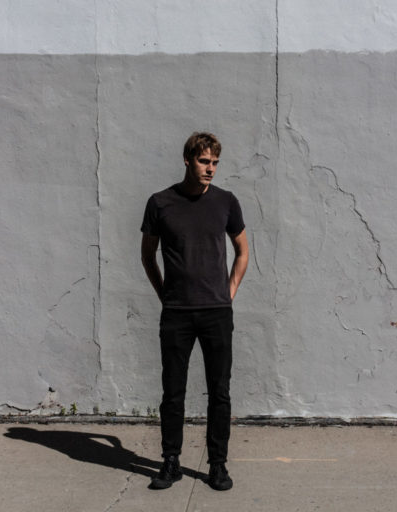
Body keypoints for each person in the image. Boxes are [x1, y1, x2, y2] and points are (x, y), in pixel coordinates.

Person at [140, 132, 249, 491]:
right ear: (188, 160)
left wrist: (229, 292)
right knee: (173, 392)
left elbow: (242, 250)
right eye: (204, 161)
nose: (210, 168)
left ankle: (217, 464)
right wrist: (164, 295)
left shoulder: (226, 202)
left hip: (217, 312)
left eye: (215, 162)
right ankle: (171, 461)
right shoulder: (160, 203)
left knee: (220, 392)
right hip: (177, 313)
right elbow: (147, 255)